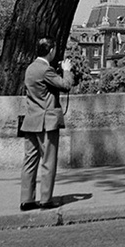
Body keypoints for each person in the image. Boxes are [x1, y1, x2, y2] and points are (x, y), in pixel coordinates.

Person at [20, 36, 74, 210]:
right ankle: (45, 199)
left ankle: (26, 199)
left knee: (30, 161)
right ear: (51, 51)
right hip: (46, 121)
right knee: (48, 161)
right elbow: (66, 85)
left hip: (31, 120)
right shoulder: (45, 70)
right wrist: (66, 70)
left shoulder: (30, 68)